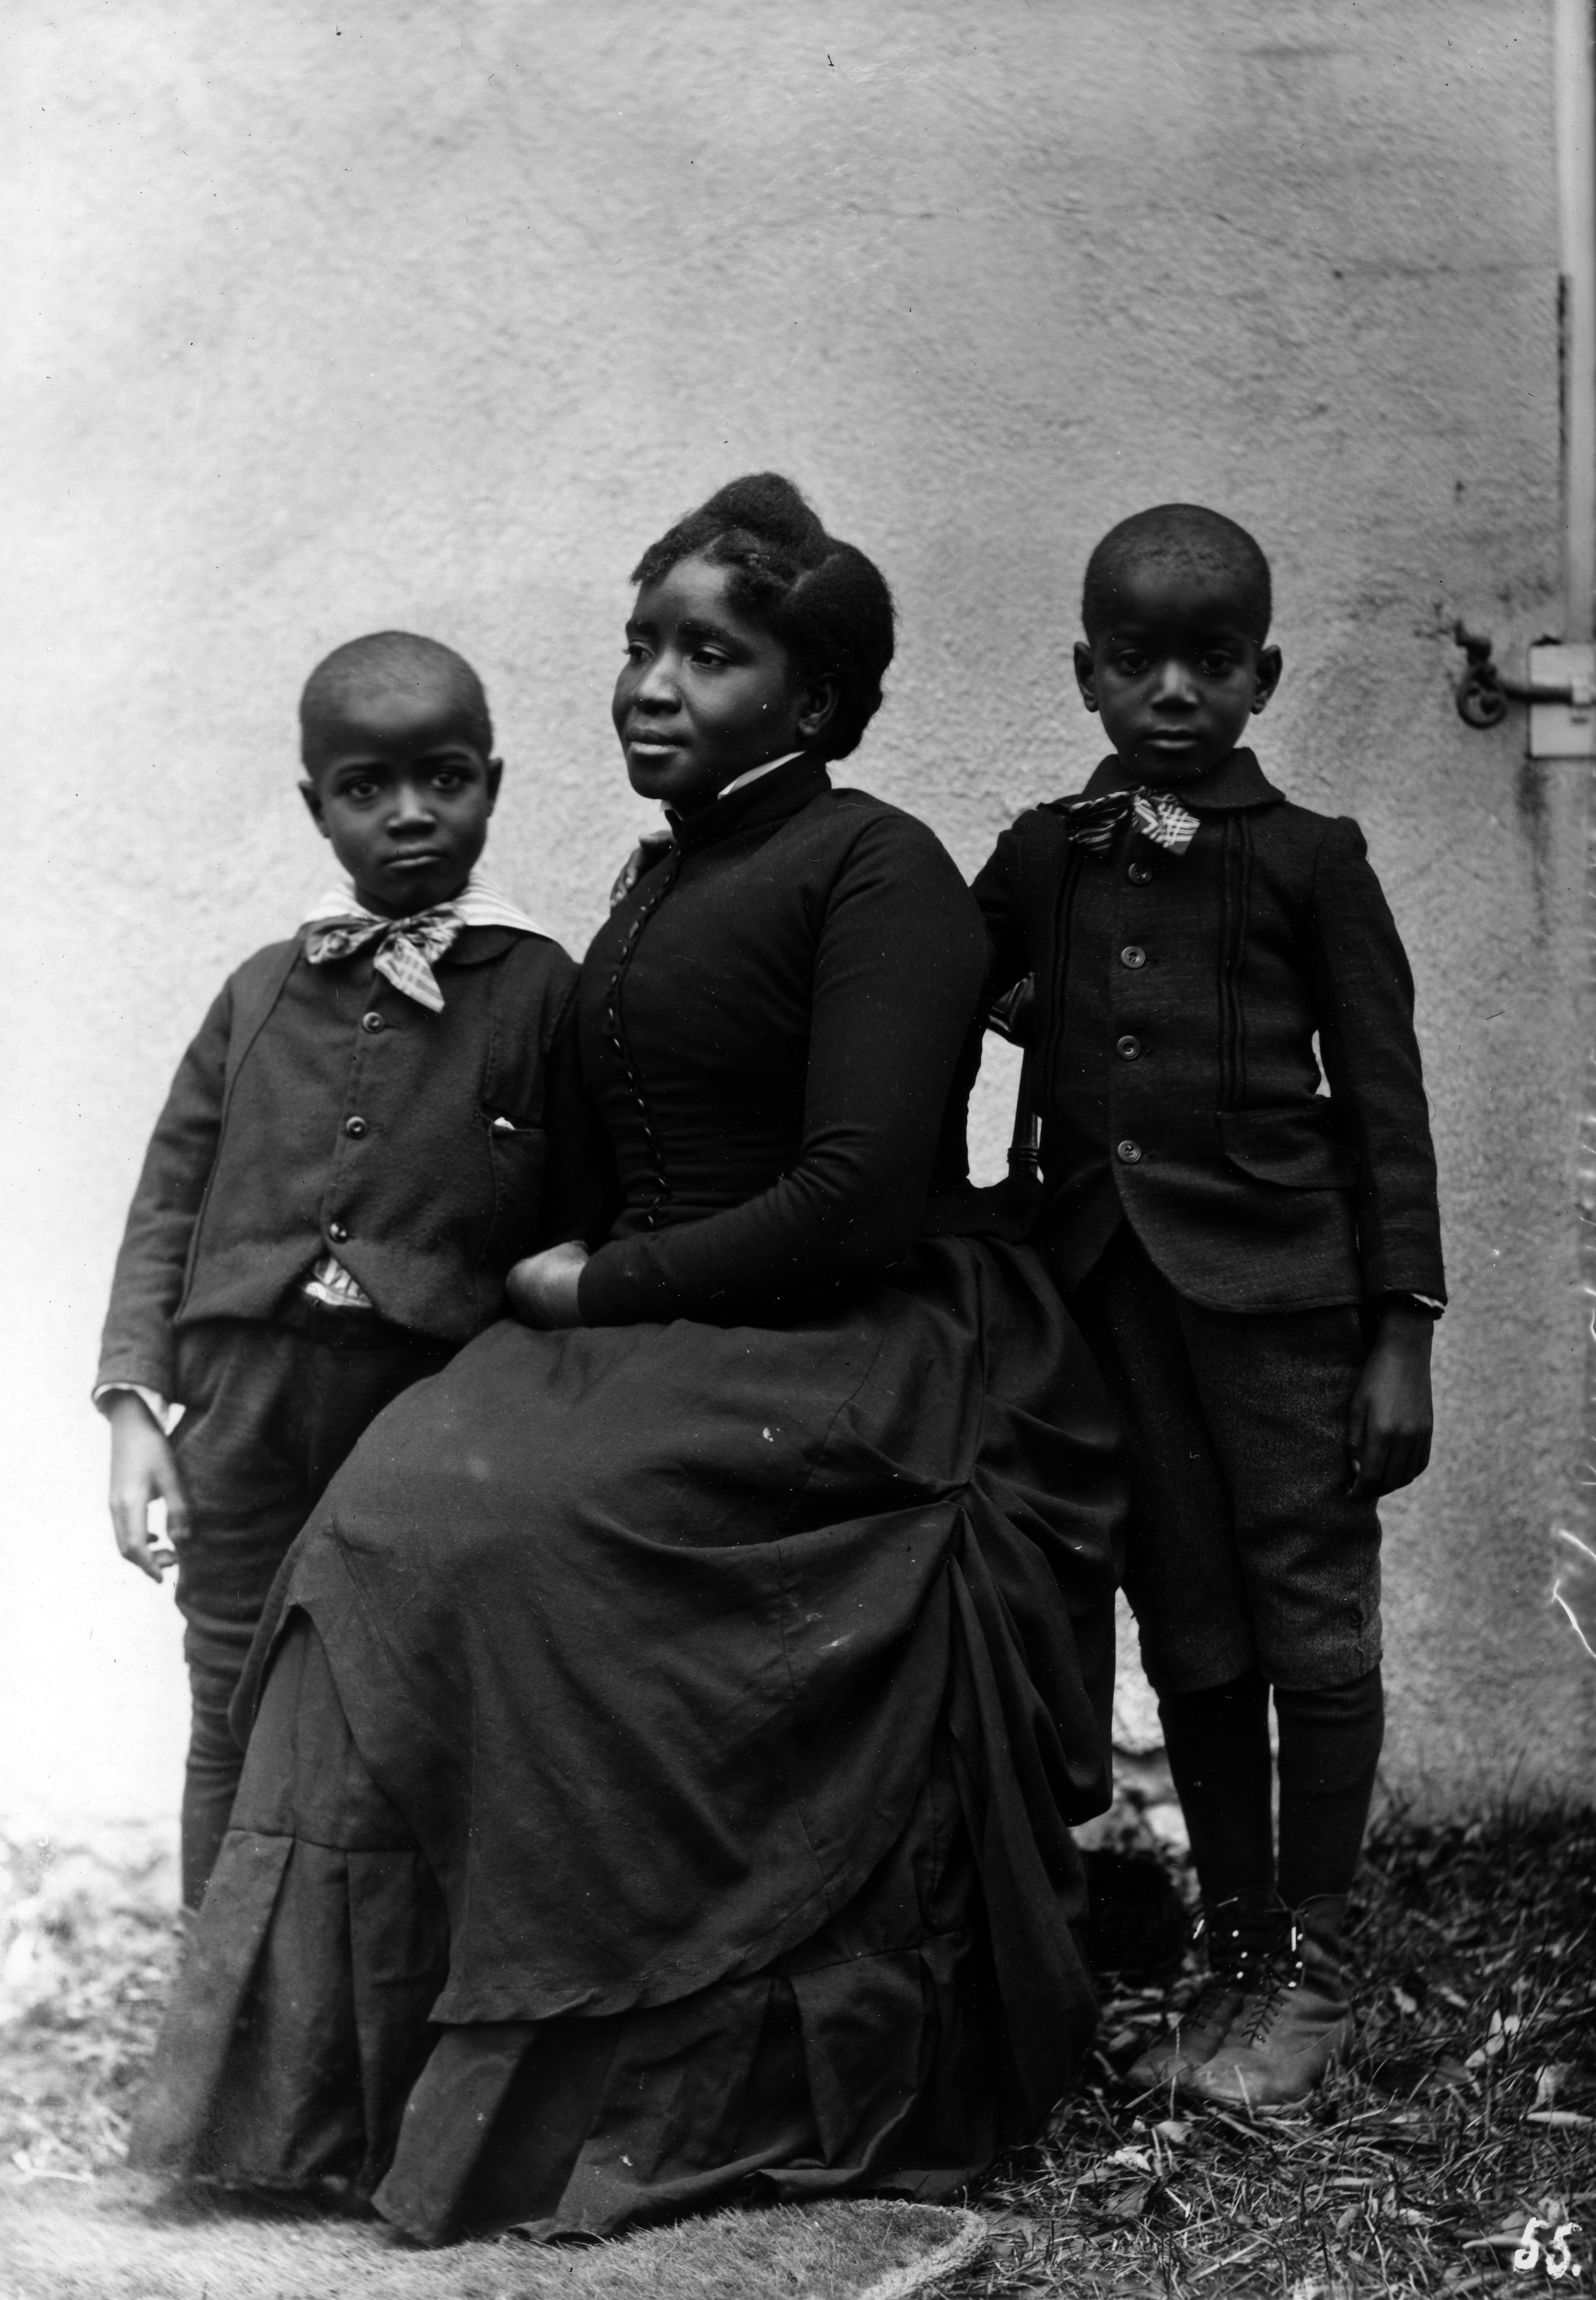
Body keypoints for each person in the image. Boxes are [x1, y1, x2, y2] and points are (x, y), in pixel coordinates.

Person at [131, 476, 1124, 2242]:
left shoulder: (872, 865)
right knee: (377, 1518)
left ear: (811, 703)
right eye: (639, 647)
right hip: (661, 1320)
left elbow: (861, 1198)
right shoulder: (666, 872)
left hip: (838, 1338)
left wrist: (592, 1295)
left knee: (485, 1532)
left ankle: (608, 2038)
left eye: (709, 655)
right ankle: (327, 2087)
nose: (651, 686)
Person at [972, 504, 1445, 2107]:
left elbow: (1386, 1104)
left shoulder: (1313, 857)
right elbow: (929, 994)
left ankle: (1310, 1968)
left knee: (1304, 1599)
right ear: (1085, 672)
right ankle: (1229, 1951)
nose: (1172, 689)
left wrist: (1403, 1330)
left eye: (1210, 659)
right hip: (1109, 1284)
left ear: (1265, 674)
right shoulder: (1045, 852)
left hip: (1287, 1301)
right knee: (1185, 1611)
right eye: (1136, 659)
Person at [95, 633, 595, 1915]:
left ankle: (387, 2019)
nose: (411, 812)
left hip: (421, 1417)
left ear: (493, 779)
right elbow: (168, 1199)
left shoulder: (543, 990)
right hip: (244, 1407)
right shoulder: (262, 987)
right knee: (230, 1697)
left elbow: (583, 1212)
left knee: (406, 1706)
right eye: (368, 787)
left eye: (443, 778)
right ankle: (218, 2011)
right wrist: (133, 1410)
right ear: (315, 806)